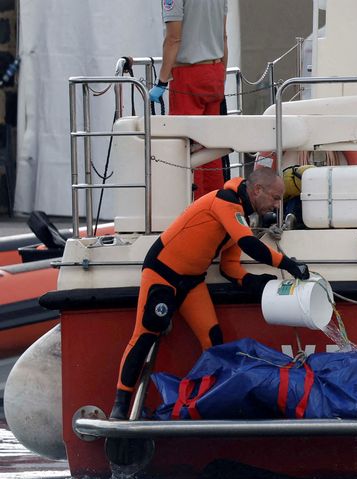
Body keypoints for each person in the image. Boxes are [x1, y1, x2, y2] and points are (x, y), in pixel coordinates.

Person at [110, 167, 310, 420]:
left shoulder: (240, 218)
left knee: (214, 340)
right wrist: (289, 265)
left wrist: (257, 283)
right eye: (275, 197)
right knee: (147, 332)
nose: (277, 204)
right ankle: (120, 406)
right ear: (257, 190)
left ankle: (207, 403)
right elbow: (249, 244)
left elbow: (230, 267)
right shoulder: (225, 202)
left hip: (192, 281)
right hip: (163, 273)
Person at [150, 0, 228, 200]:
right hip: (215, 70)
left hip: (188, 74)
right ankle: (215, 204)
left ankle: (193, 207)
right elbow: (223, 37)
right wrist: (221, 77)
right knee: (211, 147)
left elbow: (173, 38)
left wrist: (162, 81)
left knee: (185, 146)